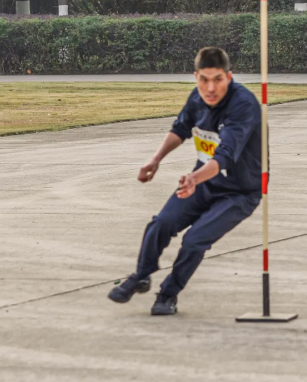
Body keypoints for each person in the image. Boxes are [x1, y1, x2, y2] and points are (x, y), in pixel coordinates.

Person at [108, 47, 262, 316]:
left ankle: (168, 294)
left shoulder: (244, 105)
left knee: (194, 241)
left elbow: (224, 156)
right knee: (161, 223)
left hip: (239, 192)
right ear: (196, 77)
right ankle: (141, 276)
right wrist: (155, 160)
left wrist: (193, 177)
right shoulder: (197, 98)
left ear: (229, 77)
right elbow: (180, 129)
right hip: (202, 183)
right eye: (203, 79)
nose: (210, 88)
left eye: (217, 79)